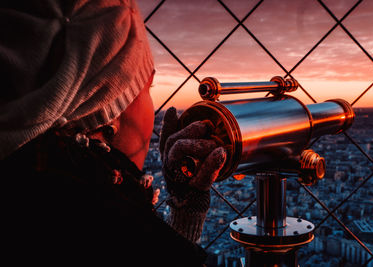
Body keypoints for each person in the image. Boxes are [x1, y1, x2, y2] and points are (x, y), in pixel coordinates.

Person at [0, 1, 226, 266]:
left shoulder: (27, 196)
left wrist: (182, 217)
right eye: (147, 88)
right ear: (109, 114)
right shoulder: (113, 232)